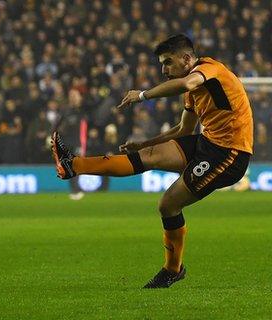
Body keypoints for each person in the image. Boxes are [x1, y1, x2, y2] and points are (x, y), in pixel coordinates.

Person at [51, 34, 253, 288]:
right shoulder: (191, 93)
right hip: (207, 143)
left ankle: (172, 269)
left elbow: (189, 83)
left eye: (168, 62)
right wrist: (146, 144)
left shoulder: (209, 70)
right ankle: (73, 165)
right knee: (148, 156)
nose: (164, 70)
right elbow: (183, 129)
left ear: (187, 58)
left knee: (167, 204)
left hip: (229, 154)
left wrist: (144, 95)